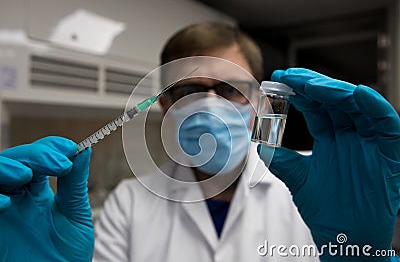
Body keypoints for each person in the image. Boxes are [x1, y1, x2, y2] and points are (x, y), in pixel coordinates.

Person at [0, 22, 399, 262]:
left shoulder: (325, 185)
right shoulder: (129, 203)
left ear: (260, 101)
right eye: (190, 89)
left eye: (230, 89)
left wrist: (361, 254)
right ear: (164, 104)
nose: (208, 105)